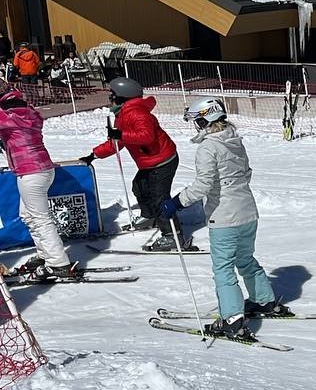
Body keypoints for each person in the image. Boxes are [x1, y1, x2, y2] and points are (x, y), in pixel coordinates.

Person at [158, 98, 291, 340]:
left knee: (223, 268)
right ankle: (264, 301)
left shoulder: (208, 148)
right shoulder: (234, 140)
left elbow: (202, 186)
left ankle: (232, 320)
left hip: (225, 218)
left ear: (204, 120)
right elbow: (246, 173)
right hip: (247, 213)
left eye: (197, 121)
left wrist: (176, 202)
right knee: (245, 259)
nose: (196, 127)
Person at [81, 77, 190, 251]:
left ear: (123, 97)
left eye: (112, 96)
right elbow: (116, 143)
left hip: (162, 161)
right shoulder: (123, 114)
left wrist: (121, 135)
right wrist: (94, 155)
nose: (110, 100)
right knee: (139, 187)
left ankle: (173, 236)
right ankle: (150, 216)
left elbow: (146, 136)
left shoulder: (137, 113)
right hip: (149, 162)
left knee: (159, 198)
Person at [0, 89, 77, 280]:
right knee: (27, 215)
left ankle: (58, 263)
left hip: (30, 172)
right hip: (44, 169)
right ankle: (45, 254)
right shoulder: (30, 113)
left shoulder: (6, 117)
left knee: (40, 218)